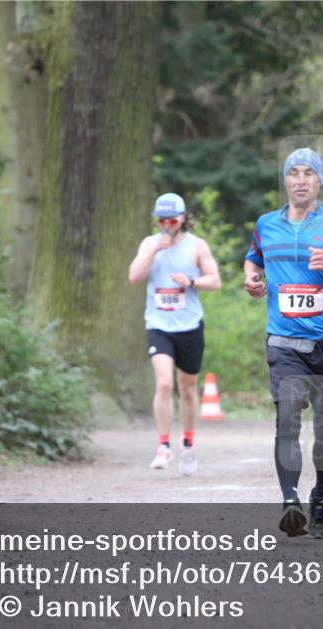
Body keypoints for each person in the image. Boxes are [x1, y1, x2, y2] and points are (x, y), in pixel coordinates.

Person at [243, 148, 323, 538]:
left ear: (319, 181)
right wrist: (251, 280)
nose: (301, 179)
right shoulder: (266, 225)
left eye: (308, 173)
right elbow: (253, 259)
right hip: (284, 342)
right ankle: (290, 501)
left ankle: (321, 493)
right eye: (294, 173)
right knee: (286, 418)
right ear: (285, 181)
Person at [129, 193, 221, 474]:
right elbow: (134, 277)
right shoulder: (149, 243)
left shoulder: (197, 246)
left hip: (189, 326)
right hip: (159, 325)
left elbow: (215, 281)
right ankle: (163, 446)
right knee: (165, 383)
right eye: (161, 220)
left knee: (189, 389)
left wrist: (191, 281)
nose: (166, 225)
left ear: (182, 219)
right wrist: (153, 250)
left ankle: (188, 445)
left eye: (171, 220)